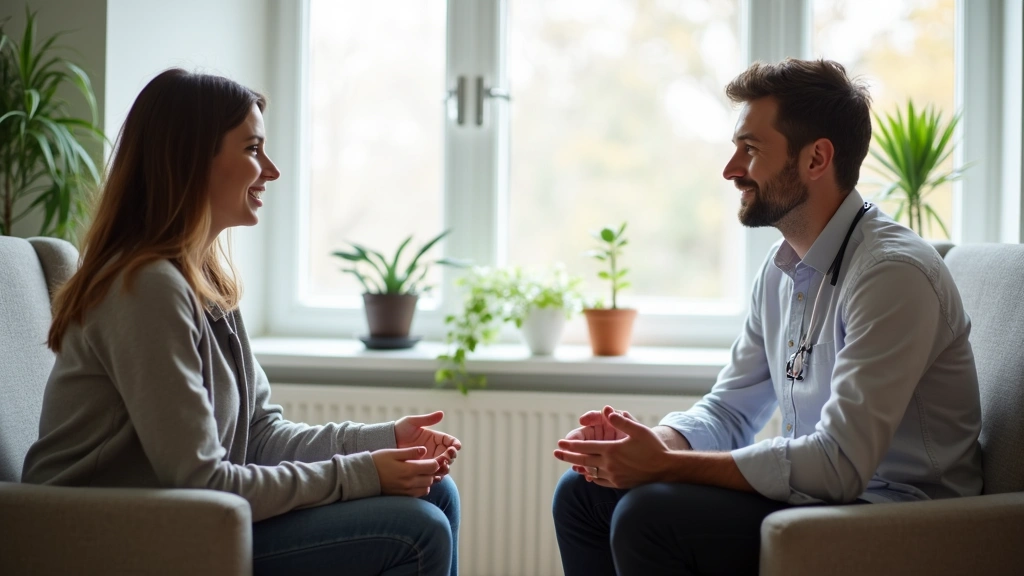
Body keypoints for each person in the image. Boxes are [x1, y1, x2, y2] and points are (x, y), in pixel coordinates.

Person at [21, 68, 462, 576]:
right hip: (114, 537)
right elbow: (200, 480)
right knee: (416, 530)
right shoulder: (145, 288)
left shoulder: (205, 282)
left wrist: (384, 440)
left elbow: (259, 435)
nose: (271, 170)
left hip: (190, 518)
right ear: (191, 161)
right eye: (253, 149)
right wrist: (363, 473)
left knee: (437, 490)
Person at [551, 58, 983, 576]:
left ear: (817, 158)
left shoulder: (892, 274)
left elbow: (839, 466)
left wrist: (666, 466)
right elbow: (732, 412)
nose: (731, 169)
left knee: (651, 515)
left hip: (898, 517)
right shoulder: (780, 272)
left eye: (750, 150)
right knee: (583, 493)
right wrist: (650, 445)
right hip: (823, 501)